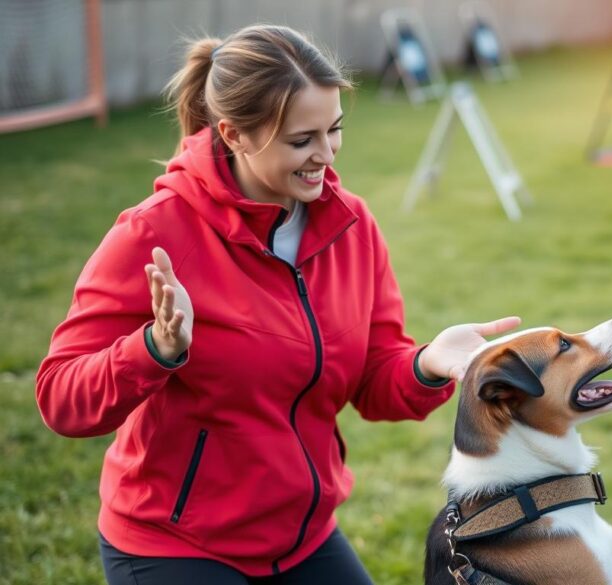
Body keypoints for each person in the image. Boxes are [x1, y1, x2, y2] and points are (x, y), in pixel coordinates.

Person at [35, 24, 520, 584]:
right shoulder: (154, 233)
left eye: (333, 131)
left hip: (301, 536)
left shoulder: (352, 226)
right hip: (175, 544)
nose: (325, 155)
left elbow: (372, 381)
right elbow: (60, 398)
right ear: (234, 134)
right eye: (301, 140)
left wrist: (427, 362)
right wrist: (153, 349)